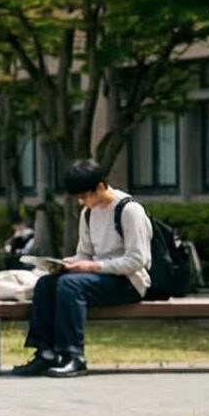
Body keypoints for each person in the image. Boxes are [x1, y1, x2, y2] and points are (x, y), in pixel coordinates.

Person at [13, 160, 151, 378]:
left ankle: (74, 355)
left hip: (129, 281)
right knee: (46, 284)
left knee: (70, 286)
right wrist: (68, 264)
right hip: (98, 277)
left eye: (86, 196)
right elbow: (84, 254)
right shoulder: (88, 213)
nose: (83, 202)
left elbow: (137, 260)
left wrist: (93, 266)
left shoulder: (129, 210)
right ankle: (45, 354)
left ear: (101, 186)